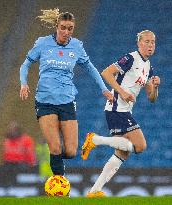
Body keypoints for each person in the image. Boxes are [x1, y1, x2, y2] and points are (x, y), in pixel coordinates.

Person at [19, 8, 114, 176]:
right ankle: (59, 184)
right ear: (57, 26)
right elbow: (26, 64)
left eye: (70, 28)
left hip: (67, 102)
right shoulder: (42, 43)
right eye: (63, 27)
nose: (66, 31)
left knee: (70, 151)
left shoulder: (76, 46)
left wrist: (104, 89)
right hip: (45, 101)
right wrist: (24, 83)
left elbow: (90, 68)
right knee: (55, 147)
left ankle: (55, 160)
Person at [81, 30, 160, 197]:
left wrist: (155, 86)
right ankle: (95, 139)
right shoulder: (130, 58)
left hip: (124, 110)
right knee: (140, 146)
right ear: (139, 43)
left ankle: (94, 191)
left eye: (153, 42)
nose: (150, 45)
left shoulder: (148, 67)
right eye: (146, 41)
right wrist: (122, 92)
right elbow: (106, 72)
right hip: (116, 107)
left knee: (122, 153)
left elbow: (151, 98)